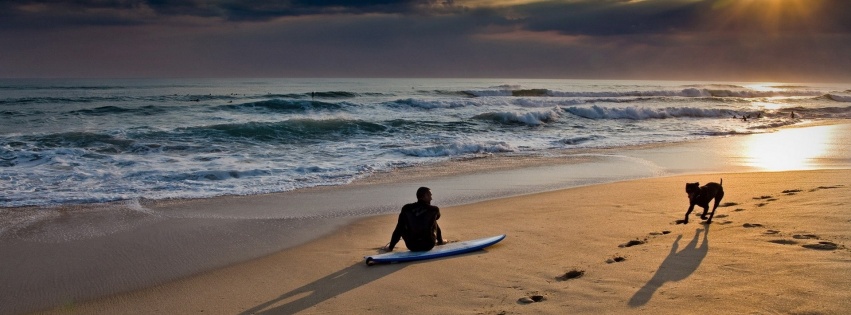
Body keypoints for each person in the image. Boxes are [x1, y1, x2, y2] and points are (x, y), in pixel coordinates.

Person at [383, 187, 445, 252]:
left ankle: (390, 248)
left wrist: (391, 247)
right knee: (432, 219)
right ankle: (440, 241)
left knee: (401, 225)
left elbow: (398, 229)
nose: (431, 198)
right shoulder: (434, 209)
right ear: (425, 196)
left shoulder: (406, 208)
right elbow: (437, 217)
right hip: (428, 244)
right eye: (430, 195)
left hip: (412, 246)